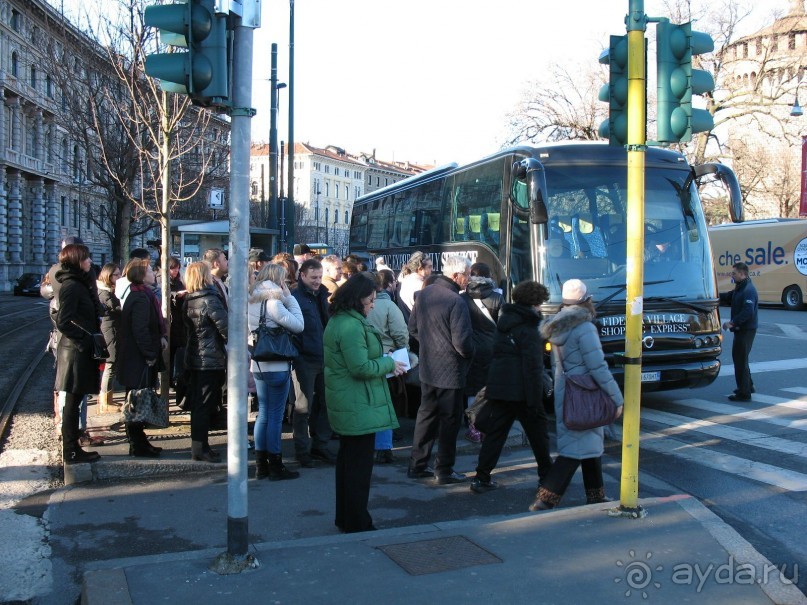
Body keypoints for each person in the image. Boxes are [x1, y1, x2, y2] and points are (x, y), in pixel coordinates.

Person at [323, 273, 408, 533]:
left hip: (351, 400)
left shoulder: (343, 320)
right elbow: (359, 367)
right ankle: (357, 521)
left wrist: (383, 359)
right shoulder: (351, 325)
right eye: (370, 301)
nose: (373, 305)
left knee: (349, 463)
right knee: (358, 467)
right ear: (357, 299)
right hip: (358, 402)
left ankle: (347, 518)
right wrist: (388, 363)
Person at [530, 279, 624, 511]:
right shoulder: (585, 328)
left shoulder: (557, 325)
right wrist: (616, 398)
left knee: (589, 445)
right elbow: (598, 367)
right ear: (586, 300)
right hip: (585, 394)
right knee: (573, 450)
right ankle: (545, 500)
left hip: (567, 390)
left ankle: (596, 495)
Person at [470, 281, 553, 494]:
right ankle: (546, 478)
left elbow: (497, 355)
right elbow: (533, 367)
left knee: (496, 434)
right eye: (540, 302)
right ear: (534, 303)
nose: (540, 307)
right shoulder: (530, 328)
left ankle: (481, 477)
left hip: (501, 388)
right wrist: (535, 400)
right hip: (523, 391)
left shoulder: (504, 323)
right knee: (538, 436)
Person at [407, 255, 474, 484]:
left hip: (429, 367)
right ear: (456, 275)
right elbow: (463, 344)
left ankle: (417, 464)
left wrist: (430, 345)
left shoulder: (425, 294)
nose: (469, 279)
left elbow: (413, 328)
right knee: (449, 421)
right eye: (467, 275)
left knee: (426, 416)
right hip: (451, 371)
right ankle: (444, 470)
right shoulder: (456, 301)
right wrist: (470, 354)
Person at [248, 263, 304, 480]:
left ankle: (260, 465)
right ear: (278, 280)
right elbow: (298, 325)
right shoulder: (275, 303)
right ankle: (275, 465)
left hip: (258, 365)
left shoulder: (251, 301)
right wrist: (289, 298)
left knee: (263, 413)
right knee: (275, 415)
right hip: (277, 365)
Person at [54, 243, 102, 464]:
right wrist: (84, 339)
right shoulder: (72, 285)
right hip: (75, 352)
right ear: (77, 261)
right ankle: (71, 450)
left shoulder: (79, 283)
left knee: (76, 402)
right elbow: (63, 321)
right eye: (86, 258)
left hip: (78, 351)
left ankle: (73, 448)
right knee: (73, 404)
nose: (90, 261)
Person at [117, 258, 166, 457]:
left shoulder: (141, 294)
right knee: (136, 401)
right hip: (137, 359)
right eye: (150, 271)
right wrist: (150, 354)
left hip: (136, 357)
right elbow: (140, 330)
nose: (154, 273)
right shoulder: (140, 297)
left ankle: (139, 442)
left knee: (136, 400)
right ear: (141, 275)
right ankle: (137, 444)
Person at [290, 259, 336, 466]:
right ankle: (302, 451)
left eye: (319, 277)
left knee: (327, 404)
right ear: (302, 276)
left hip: (324, 357)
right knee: (303, 407)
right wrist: (298, 354)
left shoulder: (323, 295)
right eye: (313, 277)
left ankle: (320, 446)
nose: (317, 281)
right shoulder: (295, 298)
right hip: (305, 359)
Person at [183, 261, 229, 462]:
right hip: (210, 358)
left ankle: (199, 446)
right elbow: (226, 328)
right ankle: (200, 448)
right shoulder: (210, 299)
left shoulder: (189, 299)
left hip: (195, 355)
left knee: (199, 404)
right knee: (205, 404)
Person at [366, 269, 412, 463]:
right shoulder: (388, 306)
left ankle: (371, 445)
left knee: (369, 403)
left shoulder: (352, 308)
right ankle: (383, 448)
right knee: (385, 403)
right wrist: (404, 352)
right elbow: (401, 333)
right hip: (387, 359)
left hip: (364, 358)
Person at [460, 262, 504, 442]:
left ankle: (473, 427)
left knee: (472, 387)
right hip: (492, 348)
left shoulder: (462, 298)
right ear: (488, 277)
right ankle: (488, 423)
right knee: (489, 386)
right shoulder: (497, 297)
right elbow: (503, 325)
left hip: (470, 347)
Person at [719, 262, 759, 402]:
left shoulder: (748, 290)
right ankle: (748, 386)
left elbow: (748, 311)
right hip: (742, 329)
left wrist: (732, 322)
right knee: (742, 358)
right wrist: (713, 295)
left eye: (734, 273)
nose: (732, 275)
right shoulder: (741, 287)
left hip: (746, 330)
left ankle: (744, 393)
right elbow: (729, 296)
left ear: (742, 274)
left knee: (740, 359)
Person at [96, 263, 122, 413]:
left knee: (112, 363)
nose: (119, 277)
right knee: (110, 364)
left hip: (114, 328)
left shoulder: (109, 290)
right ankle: (105, 401)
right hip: (110, 329)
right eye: (116, 275)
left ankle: (107, 398)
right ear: (108, 276)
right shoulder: (104, 292)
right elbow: (116, 308)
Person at [167, 257, 188, 408]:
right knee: (170, 354)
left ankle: (173, 380)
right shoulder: (164, 281)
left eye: (177, 268)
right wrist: (176, 295)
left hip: (179, 323)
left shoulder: (179, 281)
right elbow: (164, 294)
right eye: (173, 268)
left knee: (177, 353)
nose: (176, 271)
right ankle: (168, 381)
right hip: (172, 323)